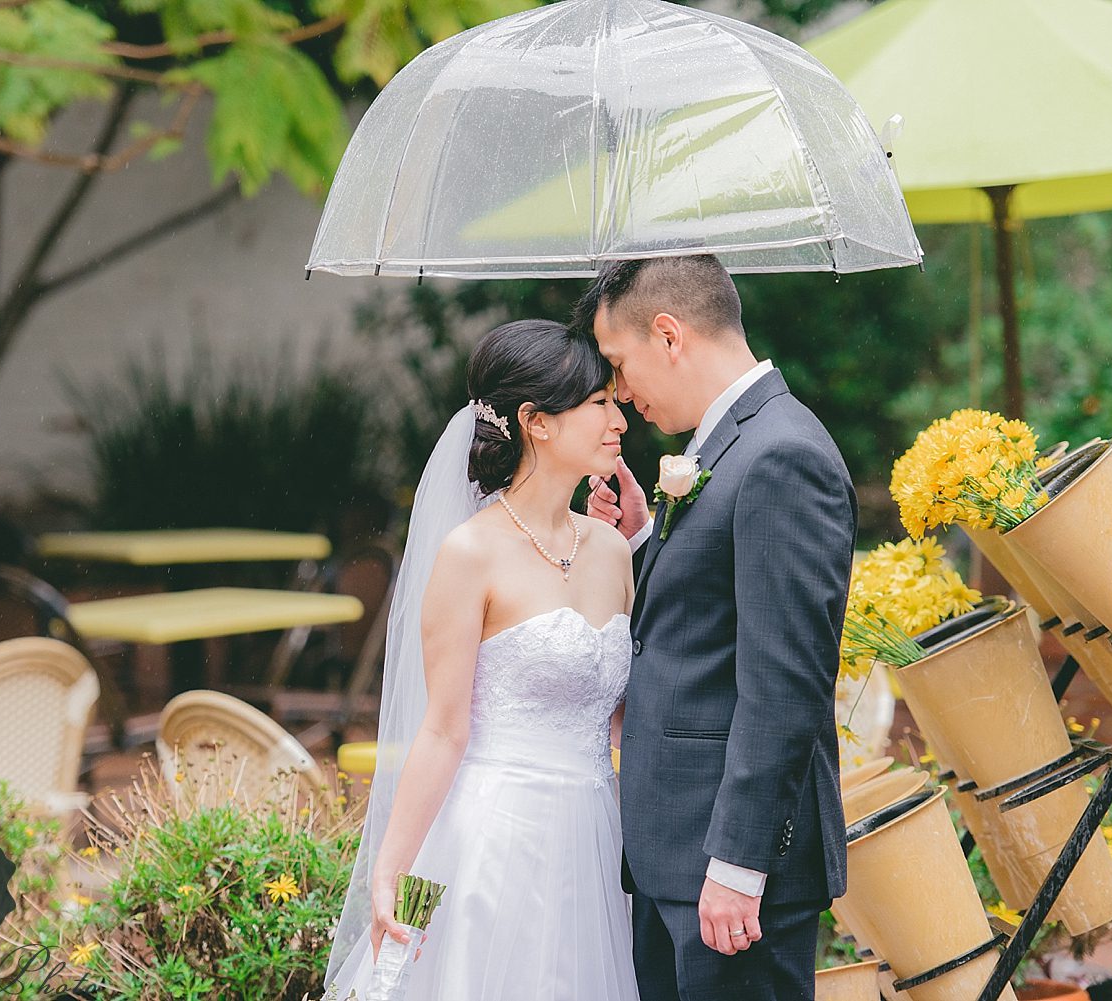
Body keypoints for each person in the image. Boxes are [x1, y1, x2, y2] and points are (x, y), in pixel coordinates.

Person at [322, 318, 641, 1001]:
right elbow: (442, 729)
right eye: (599, 403)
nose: (620, 419)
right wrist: (391, 874)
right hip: (488, 840)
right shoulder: (470, 552)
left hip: (592, 838)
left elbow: (623, 715)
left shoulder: (614, 550)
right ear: (537, 422)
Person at [577, 255, 855, 1001]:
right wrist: (645, 541)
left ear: (668, 335)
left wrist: (738, 865)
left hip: (727, 874)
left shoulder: (783, 453)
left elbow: (785, 685)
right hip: (676, 855)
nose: (621, 392)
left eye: (619, 363)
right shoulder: (727, 442)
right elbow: (705, 621)